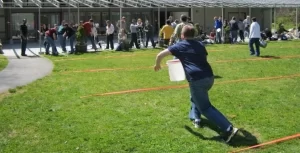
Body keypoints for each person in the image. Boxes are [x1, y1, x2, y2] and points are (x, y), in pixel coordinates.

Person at [154, 25, 239, 143]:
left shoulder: (180, 45)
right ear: (193, 35)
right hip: (209, 77)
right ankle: (196, 118)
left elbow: (160, 55)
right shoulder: (200, 44)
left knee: (205, 107)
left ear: (182, 35)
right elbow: (200, 57)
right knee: (195, 97)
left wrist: (157, 65)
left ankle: (229, 128)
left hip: (197, 79)